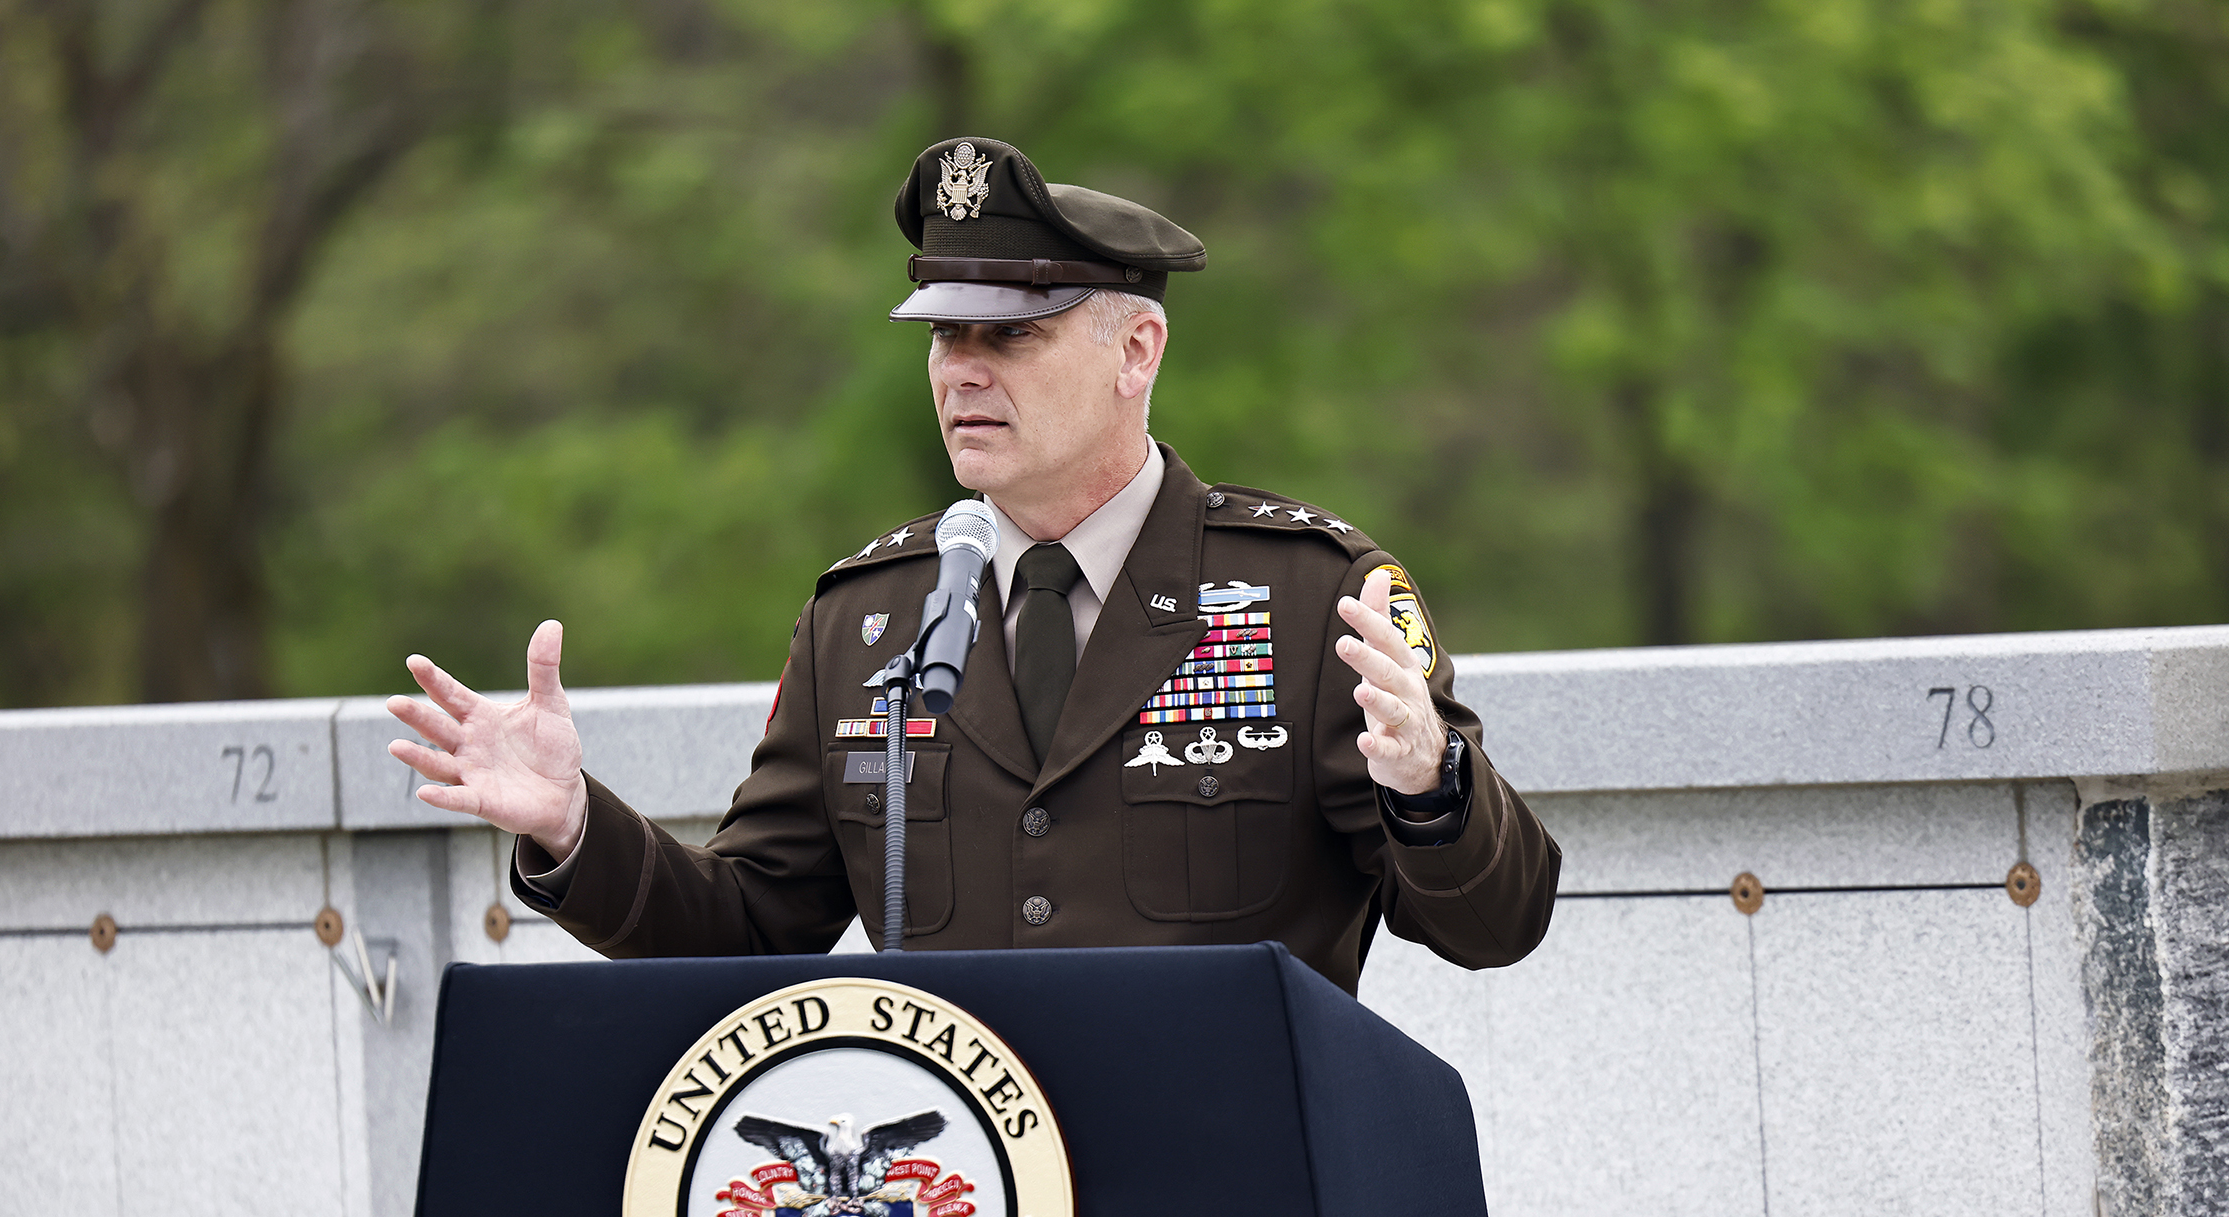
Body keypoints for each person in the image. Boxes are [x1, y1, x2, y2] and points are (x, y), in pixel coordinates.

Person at [387, 137, 1559, 994]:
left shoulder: (1308, 595)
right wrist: (574, 828)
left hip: (1228, 1205)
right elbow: (753, 924)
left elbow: (1496, 924)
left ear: (1135, 350)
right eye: (947, 333)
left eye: (1014, 333)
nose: (962, 369)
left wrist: (1435, 784)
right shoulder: (871, 618)